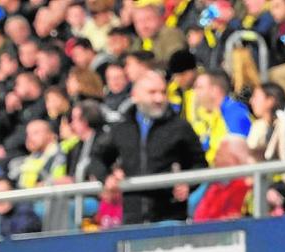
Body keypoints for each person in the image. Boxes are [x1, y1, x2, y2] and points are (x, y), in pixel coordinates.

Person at [88, 69, 208, 224]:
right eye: (152, 92)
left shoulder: (180, 127)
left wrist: (188, 184)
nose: (159, 98)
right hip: (132, 218)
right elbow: (97, 158)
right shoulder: (121, 128)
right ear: (135, 95)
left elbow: (200, 163)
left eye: (163, 92)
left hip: (170, 216)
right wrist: (106, 178)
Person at [187, 70, 253, 164]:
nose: (195, 92)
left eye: (199, 87)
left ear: (214, 90)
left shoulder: (234, 113)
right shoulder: (207, 115)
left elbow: (239, 155)